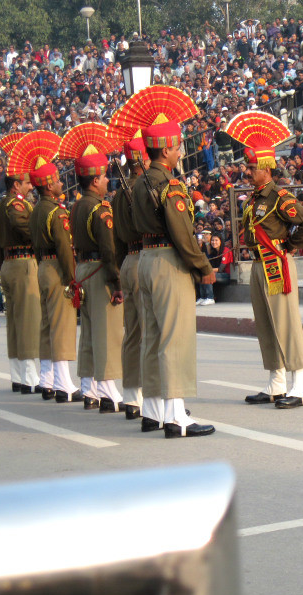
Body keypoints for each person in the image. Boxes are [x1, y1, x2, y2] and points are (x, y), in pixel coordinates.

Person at [118, 85, 216, 437]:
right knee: (174, 338)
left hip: (144, 258)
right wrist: (203, 266)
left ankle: (153, 410)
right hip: (167, 262)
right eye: (177, 146)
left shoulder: (140, 184)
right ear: (167, 149)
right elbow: (183, 233)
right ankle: (176, 416)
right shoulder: (169, 186)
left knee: (152, 338)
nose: (180, 152)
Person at [227, 110, 303, 408]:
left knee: (286, 323)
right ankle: (276, 382)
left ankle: (300, 385)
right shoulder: (254, 198)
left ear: (267, 168)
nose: (247, 172)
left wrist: (289, 246)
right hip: (257, 264)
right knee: (266, 323)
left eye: (252, 167)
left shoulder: (279, 197)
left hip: (276, 263)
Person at [59, 123, 125, 413]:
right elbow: (109, 250)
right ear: (94, 180)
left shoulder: (76, 206)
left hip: (83, 270)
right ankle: (109, 389)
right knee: (107, 332)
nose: (107, 180)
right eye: (104, 176)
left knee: (88, 331)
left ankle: (89, 388)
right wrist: (116, 282)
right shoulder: (101, 209)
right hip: (99, 271)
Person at [21, 131, 82, 404]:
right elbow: (65, 248)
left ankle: (46, 378)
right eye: (56, 180)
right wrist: (72, 278)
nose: (60, 184)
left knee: (47, 325)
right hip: (56, 268)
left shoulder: (35, 210)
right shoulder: (56, 212)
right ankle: (64, 383)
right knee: (61, 325)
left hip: (41, 267)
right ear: (47, 186)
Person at [0, 136, 42, 394]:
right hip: (23, 263)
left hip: (8, 263)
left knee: (14, 322)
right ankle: (30, 377)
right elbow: (26, 228)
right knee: (28, 321)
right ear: (15, 186)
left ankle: (17, 374)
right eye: (26, 183)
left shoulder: (0, 206)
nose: (30, 187)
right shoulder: (17, 205)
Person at [111, 133, 149, 418]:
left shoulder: (118, 195)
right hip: (145, 258)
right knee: (150, 331)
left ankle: (130, 396)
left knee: (132, 332)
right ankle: (152, 398)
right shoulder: (144, 187)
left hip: (127, 260)